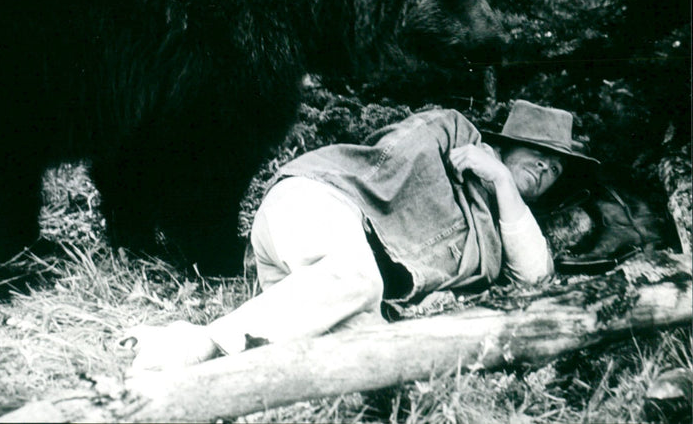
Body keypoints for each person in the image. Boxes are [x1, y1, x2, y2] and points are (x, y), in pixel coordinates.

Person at [121, 99, 599, 371]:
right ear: (503, 143)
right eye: (535, 152)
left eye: (555, 168)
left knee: (375, 352)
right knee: (359, 279)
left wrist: (500, 182)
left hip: (311, 284)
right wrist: (478, 162)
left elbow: (536, 275)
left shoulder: (499, 229)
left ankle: (196, 378)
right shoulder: (453, 133)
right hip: (316, 203)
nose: (544, 167)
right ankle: (196, 343)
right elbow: (387, 169)